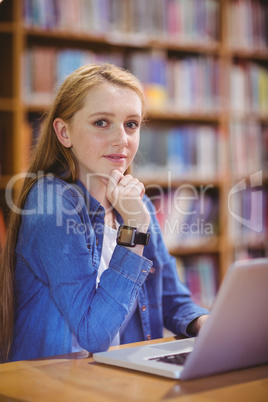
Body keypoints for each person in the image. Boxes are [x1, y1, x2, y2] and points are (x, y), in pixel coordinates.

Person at [0, 63, 209, 363]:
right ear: (64, 132)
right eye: (101, 122)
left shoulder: (137, 206)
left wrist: (206, 324)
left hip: (117, 378)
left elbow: (169, 296)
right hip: (54, 385)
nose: (122, 139)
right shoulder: (51, 204)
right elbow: (93, 334)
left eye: (131, 124)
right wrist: (135, 230)